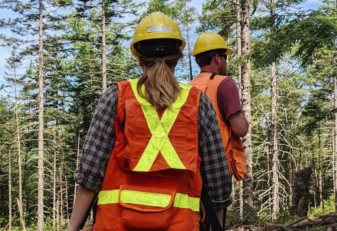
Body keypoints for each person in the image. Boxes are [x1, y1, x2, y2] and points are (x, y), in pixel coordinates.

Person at [67, 13, 231, 231]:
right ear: (178, 56)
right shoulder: (199, 103)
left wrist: (72, 228)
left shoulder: (116, 97)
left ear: (138, 56)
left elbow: (90, 173)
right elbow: (218, 183)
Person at [189, 32, 249, 210]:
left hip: (191, 164)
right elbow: (240, 129)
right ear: (217, 58)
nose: (226, 62)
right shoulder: (225, 83)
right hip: (217, 164)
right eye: (225, 57)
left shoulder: (188, 87)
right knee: (216, 218)